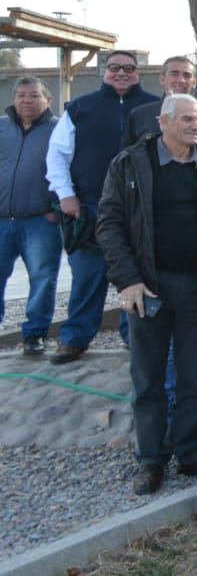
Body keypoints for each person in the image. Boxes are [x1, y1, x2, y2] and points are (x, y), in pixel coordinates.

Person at [98, 94, 197, 495]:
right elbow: (109, 224)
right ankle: (151, 459)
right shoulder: (130, 163)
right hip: (147, 287)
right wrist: (128, 280)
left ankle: (191, 451)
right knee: (149, 377)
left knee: (192, 374)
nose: (196, 126)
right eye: (187, 119)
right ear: (164, 122)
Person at [45, 50, 161, 363]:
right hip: (90, 207)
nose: (121, 73)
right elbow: (57, 154)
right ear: (103, 71)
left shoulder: (155, 107)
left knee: (137, 276)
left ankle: (133, 337)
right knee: (88, 276)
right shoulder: (80, 108)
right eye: (114, 67)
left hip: (140, 209)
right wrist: (66, 194)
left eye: (128, 68)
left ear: (138, 73)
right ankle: (75, 338)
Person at [1, 77, 62, 357]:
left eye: (34, 95)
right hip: (2, 220)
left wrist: (56, 209)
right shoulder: (2, 127)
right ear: (14, 99)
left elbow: (71, 169)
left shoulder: (59, 129)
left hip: (40, 221)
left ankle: (35, 334)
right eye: (22, 95)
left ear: (47, 100)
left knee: (42, 278)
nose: (27, 100)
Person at [123, 56, 197, 147]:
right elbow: (126, 154)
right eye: (174, 74)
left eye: (187, 75)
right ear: (162, 79)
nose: (181, 80)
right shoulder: (140, 115)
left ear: (194, 82)